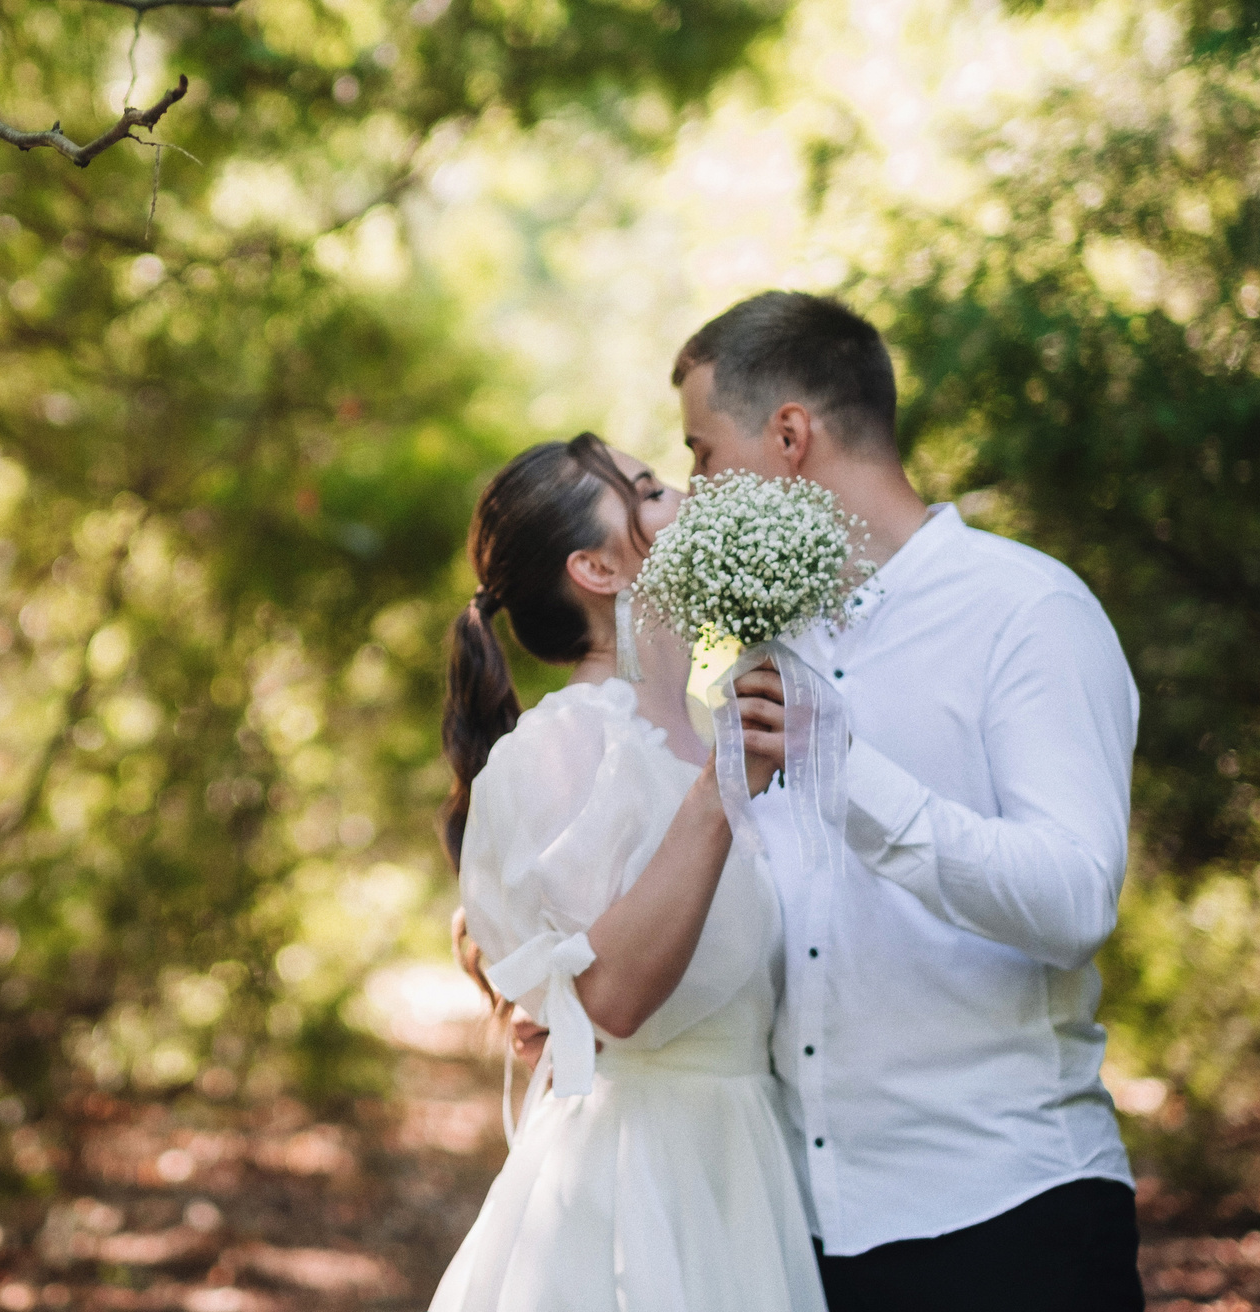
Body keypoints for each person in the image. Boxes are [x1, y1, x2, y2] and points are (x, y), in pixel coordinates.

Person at [679, 291, 1144, 1311]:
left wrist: (848, 776)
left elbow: (1075, 902)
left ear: (789, 436)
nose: (695, 494)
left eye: (703, 455)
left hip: (1010, 1220)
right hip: (801, 1239)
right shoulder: (765, 650)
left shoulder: (1029, 611)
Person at [428, 432, 826, 1312]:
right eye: (646, 490)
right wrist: (720, 793)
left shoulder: (718, 723)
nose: (682, 494)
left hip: (748, 1166)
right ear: (597, 569)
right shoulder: (563, 744)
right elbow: (609, 1001)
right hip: (636, 1180)